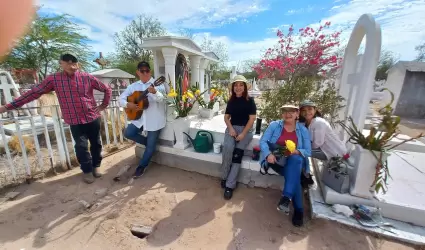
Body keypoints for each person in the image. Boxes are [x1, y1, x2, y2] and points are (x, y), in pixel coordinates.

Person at [0, 53, 112, 184]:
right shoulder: (54, 79)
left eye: (74, 63)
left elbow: (107, 89)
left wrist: (103, 105)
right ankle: (87, 170)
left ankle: (96, 166)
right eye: (68, 63)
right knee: (81, 147)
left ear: (78, 64)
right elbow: (34, 93)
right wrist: (7, 107)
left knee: (96, 144)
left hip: (92, 117)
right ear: (61, 64)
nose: (72, 66)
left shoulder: (87, 77)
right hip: (74, 120)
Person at [259, 104, 311, 227]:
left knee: (296, 159)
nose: (288, 114)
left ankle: (287, 199)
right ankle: (297, 210)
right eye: (285, 111)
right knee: (295, 179)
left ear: (297, 114)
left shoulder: (303, 130)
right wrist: (268, 154)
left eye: (291, 111)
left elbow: (308, 151)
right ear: (282, 114)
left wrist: (297, 151)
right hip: (277, 160)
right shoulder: (274, 126)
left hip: (294, 162)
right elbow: (263, 141)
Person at [119, 61, 167, 178]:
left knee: (150, 147)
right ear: (138, 72)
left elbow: (163, 99)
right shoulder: (133, 86)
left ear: (150, 71)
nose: (145, 73)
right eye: (142, 71)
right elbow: (120, 99)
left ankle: (142, 166)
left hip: (154, 120)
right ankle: (149, 145)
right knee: (128, 132)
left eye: (147, 70)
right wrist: (127, 105)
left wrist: (155, 92)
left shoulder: (158, 84)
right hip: (139, 118)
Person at [221, 75, 257, 200]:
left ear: (245, 87)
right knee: (227, 148)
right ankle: (224, 176)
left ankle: (229, 185)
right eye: (236, 85)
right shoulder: (231, 101)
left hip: (246, 130)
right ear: (233, 87)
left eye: (241, 85)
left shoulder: (250, 100)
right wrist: (230, 129)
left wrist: (243, 134)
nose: (238, 87)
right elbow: (226, 117)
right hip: (232, 128)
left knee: (237, 155)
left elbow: (252, 119)